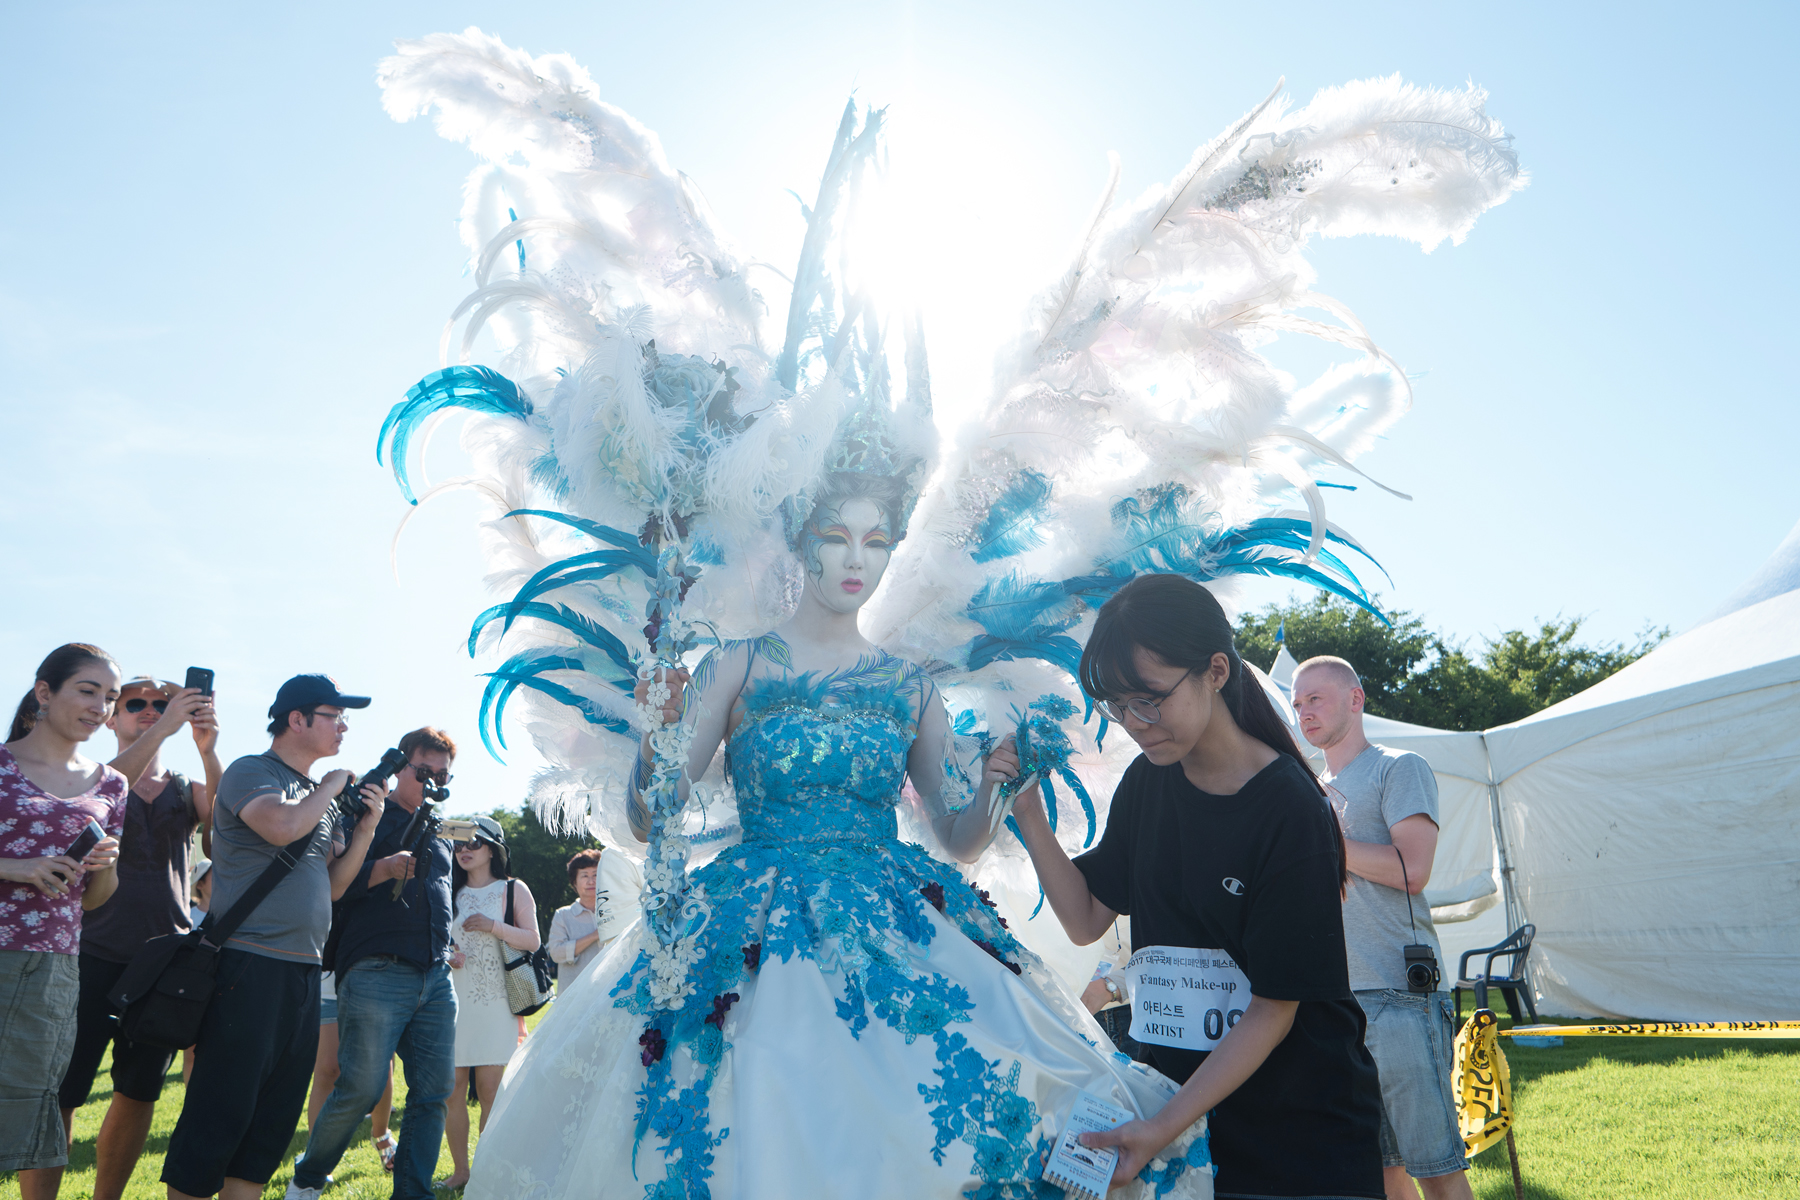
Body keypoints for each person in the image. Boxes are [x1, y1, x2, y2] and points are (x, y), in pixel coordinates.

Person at [448, 473, 1211, 1200]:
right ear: (799, 541)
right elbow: (653, 820)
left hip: (897, 919)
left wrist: (995, 788)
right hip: (751, 922)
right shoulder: (736, 665)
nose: (856, 559)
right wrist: (659, 733)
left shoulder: (909, 686)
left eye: (876, 541)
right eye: (836, 536)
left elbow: (959, 840)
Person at [1014, 576, 1385, 1199]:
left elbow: (1274, 1007)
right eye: (1117, 705)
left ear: (1215, 671)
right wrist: (1027, 812)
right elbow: (1084, 918)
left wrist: (1162, 1126)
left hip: (1296, 1138)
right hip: (1182, 1124)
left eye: (1149, 699)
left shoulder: (1290, 809)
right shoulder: (1146, 782)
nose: (1134, 723)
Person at [160, 674, 389, 1200]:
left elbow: (333, 886)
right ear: (297, 719)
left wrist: (366, 830)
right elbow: (281, 827)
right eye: (334, 716)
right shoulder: (252, 771)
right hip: (248, 964)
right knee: (218, 1116)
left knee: (269, 1124)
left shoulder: (317, 795)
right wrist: (331, 787)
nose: (344, 727)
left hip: (304, 971)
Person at [1292, 657, 1472, 1200]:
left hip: (1399, 994)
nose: (1304, 712)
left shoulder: (1398, 767)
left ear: (1356, 698)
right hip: (1337, 1001)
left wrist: (1323, 840)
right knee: (1382, 1172)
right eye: (1297, 704)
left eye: (1315, 698)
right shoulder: (1307, 788)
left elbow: (1413, 869)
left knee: (1436, 1169)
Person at [55, 675, 217, 1200]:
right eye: (137, 703)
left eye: (163, 703)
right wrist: (166, 727)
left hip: (162, 965)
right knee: (63, 1092)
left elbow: (224, 832)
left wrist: (208, 751)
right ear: (111, 717)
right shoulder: (94, 776)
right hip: (89, 953)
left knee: (139, 1091)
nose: (151, 709)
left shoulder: (184, 788)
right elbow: (100, 792)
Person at [289, 726, 460, 1200]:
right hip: (376, 969)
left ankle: (412, 1193)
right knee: (360, 1088)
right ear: (400, 767)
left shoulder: (441, 832)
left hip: (436, 975)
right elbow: (326, 883)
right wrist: (382, 869)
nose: (432, 781)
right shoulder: (362, 815)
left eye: (442, 775)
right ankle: (308, 1178)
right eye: (423, 771)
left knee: (433, 1093)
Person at [1, 643, 126, 1200]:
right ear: (44, 692)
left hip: (53, 967)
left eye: (110, 696)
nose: (101, 706)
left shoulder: (112, 785)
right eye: (88, 690)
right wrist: (16, 866)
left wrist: (107, 865)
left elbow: (95, 900)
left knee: (35, 1103)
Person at [442, 817, 537, 1191]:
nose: (464, 850)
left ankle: (485, 1173)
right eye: (458, 845)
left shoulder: (513, 889)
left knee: (490, 1091)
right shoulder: (447, 890)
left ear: (493, 848)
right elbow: (435, 939)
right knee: (451, 1090)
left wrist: (493, 926)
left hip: (499, 1005)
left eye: (473, 843)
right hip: (453, 1002)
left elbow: (532, 940)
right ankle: (461, 1172)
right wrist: (448, 954)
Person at [303, 970, 396, 1170]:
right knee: (328, 1069)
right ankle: (315, 1159)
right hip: (328, 982)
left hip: (372, 978)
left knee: (380, 1063)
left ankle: (381, 1135)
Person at [545, 846, 637, 990]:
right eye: (584, 876)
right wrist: (595, 935)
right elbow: (556, 953)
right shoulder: (563, 915)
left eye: (595, 875)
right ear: (574, 882)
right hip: (575, 992)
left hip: (612, 989)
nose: (591, 881)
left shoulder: (619, 909)